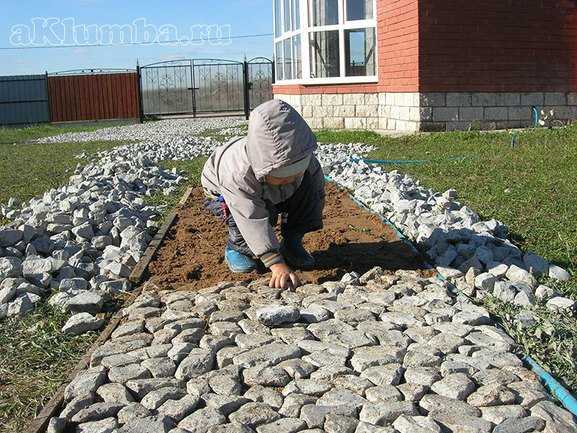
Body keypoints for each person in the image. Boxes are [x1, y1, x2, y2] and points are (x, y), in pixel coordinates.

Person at [201, 99, 325, 290]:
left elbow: (315, 197)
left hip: (265, 184)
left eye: (296, 174)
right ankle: (236, 248)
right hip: (225, 194)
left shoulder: (305, 161)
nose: (290, 180)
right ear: (267, 169)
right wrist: (275, 263)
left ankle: (292, 243)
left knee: (307, 190)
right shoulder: (237, 172)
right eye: (283, 177)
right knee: (252, 212)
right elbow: (249, 214)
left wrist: (302, 217)